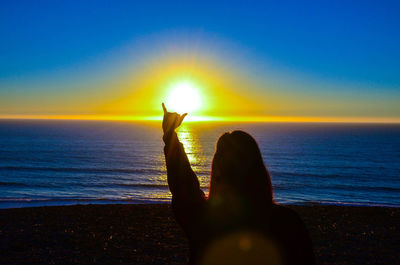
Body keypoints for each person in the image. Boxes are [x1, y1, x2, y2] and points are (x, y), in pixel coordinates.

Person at [162, 103, 315, 265]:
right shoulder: (286, 222)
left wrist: (170, 136)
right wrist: (170, 136)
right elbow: (184, 187)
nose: (227, 166)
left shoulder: (204, 219)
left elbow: (184, 187)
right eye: (222, 157)